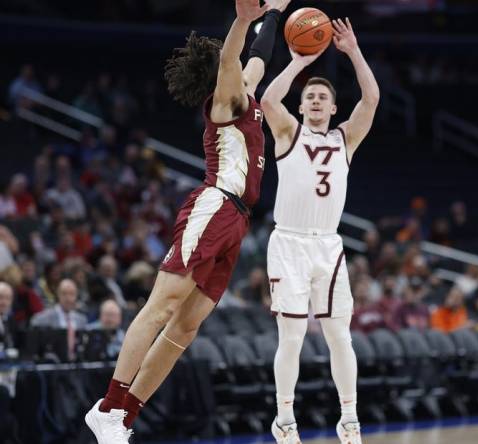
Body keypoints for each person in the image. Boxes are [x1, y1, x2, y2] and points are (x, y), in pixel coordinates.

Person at [85, 1, 290, 442]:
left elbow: (257, 57)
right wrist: (242, 20)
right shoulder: (225, 102)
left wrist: (272, 15)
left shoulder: (247, 96)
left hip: (237, 220)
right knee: (160, 307)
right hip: (215, 205)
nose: (238, 68)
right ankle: (107, 404)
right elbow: (236, 56)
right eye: (228, 66)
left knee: (186, 326)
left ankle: (122, 418)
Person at [260, 15, 379, 444]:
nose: (313, 101)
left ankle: (349, 419)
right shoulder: (288, 132)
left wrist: (352, 52)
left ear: (332, 108)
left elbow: (371, 99)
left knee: (338, 335)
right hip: (288, 242)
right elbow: (268, 102)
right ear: (302, 104)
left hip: (328, 247)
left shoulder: (344, 140)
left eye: (321, 97)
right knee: (290, 337)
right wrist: (296, 62)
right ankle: (285, 420)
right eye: (308, 96)